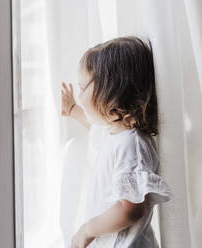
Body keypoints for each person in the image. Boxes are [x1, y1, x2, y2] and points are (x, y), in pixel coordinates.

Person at [61, 36, 173, 248]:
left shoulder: (132, 145)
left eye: (83, 88)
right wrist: (74, 111)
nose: (79, 94)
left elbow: (130, 208)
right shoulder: (116, 132)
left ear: (111, 93)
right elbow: (95, 128)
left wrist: (87, 230)